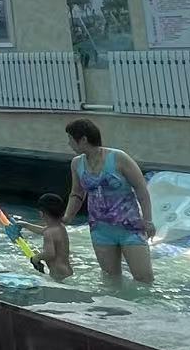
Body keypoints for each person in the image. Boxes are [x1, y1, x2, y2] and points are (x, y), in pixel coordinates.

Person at [63, 118, 155, 283]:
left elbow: (141, 190)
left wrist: (148, 221)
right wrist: (67, 218)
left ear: (83, 139)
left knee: (144, 278)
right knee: (111, 280)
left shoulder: (119, 158)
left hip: (129, 227)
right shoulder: (77, 164)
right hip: (100, 230)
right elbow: (77, 193)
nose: (69, 144)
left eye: (70, 139)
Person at [18, 193, 74, 281]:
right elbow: (43, 231)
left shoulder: (49, 232)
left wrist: (36, 258)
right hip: (67, 271)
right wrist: (26, 225)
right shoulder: (60, 227)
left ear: (41, 213)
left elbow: (50, 254)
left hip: (58, 273)